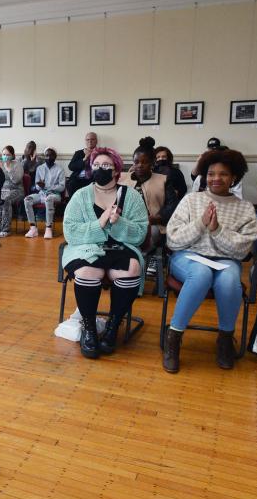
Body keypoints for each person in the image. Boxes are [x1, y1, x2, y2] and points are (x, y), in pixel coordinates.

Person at [163, 149, 257, 373]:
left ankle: (225, 339)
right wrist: (200, 224)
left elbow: (242, 249)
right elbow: (173, 239)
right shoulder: (191, 200)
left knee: (229, 281)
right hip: (188, 256)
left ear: (234, 177)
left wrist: (216, 230)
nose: (216, 178)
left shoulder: (244, 208)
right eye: (211, 173)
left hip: (226, 260)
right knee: (201, 274)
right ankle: (174, 338)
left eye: (223, 174)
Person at [61, 147, 148, 359]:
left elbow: (140, 233)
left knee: (132, 268)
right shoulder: (81, 195)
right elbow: (70, 232)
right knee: (89, 271)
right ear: (91, 168)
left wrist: (119, 223)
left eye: (106, 165)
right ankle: (89, 329)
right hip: (85, 247)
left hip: (120, 247)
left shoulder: (132, 196)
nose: (101, 169)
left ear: (117, 170)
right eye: (97, 165)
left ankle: (112, 326)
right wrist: (99, 223)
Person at [126, 137, 177, 248]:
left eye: (144, 162)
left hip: (154, 224)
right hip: (126, 223)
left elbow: (171, 206)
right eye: (136, 162)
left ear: (152, 163)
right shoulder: (124, 179)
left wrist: (156, 218)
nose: (140, 165)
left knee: (149, 234)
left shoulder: (163, 180)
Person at [24, 147, 65, 239]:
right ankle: (33, 228)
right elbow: (37, 185)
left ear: (55, 156)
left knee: (49, 199)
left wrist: (48, 187)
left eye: (51, 155)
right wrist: (40, 186)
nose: (49, 157)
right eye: (47, 155)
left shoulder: (60, 169)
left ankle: (48, 228)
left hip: (54, 195)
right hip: (41, 193)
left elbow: (62, 187)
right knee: (27, 199)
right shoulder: (40, 168)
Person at [0, 144, 25, 237]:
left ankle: (6, 229)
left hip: (16, 190)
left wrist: (8, 168)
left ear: (12, 155)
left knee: (6, 200)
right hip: (3, 191)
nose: (5, 157)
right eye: (3, 154)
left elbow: (16, 180)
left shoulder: (17, 164)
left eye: (7, 155)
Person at [67, 131, 98, 196]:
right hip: (78, 178)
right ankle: (73, 205)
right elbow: (71, 166)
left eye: (92, 139)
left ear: (96, 141)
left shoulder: (100, 153)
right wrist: (84, 159)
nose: (90, 141)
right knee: (71, 184)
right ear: (85, 141)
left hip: (93, 179)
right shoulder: (79, 153)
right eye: (88, 139)